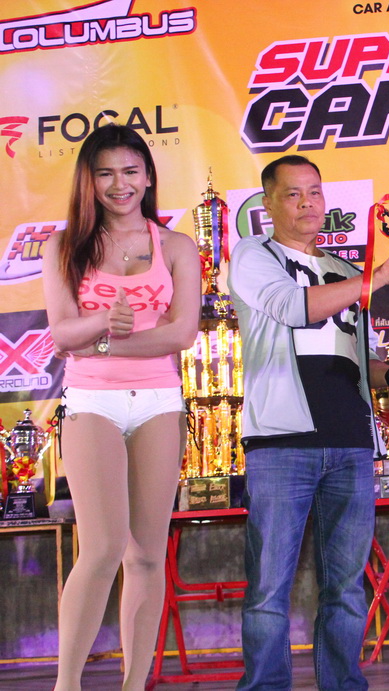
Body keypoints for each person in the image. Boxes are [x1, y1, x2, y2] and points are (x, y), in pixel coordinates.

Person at [229, 154, 389, 691]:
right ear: (268, 203)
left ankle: (344, 683)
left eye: (315, 192)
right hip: (280, 441)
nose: (307, 203)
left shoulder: (345, 272)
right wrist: (378, 277)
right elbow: (292, 307)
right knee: (268, 589)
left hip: (350, 440)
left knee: (345, 588)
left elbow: (359, 362)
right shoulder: (252, 255)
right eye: (293, 193)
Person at [42, 123, 201, 690]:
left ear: (148, 177)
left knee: (147, 555)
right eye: (105, 173)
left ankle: (135, 685)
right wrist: (98, 326)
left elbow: (181, 334)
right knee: (103, 546)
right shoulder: (64, 246)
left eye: (130, 171)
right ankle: (67, 684)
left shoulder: (177, 246)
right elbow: (62, 333)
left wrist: (104, 341)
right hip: (92, 400)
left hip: (159, 399)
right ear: (88, 181)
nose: (119, 184)